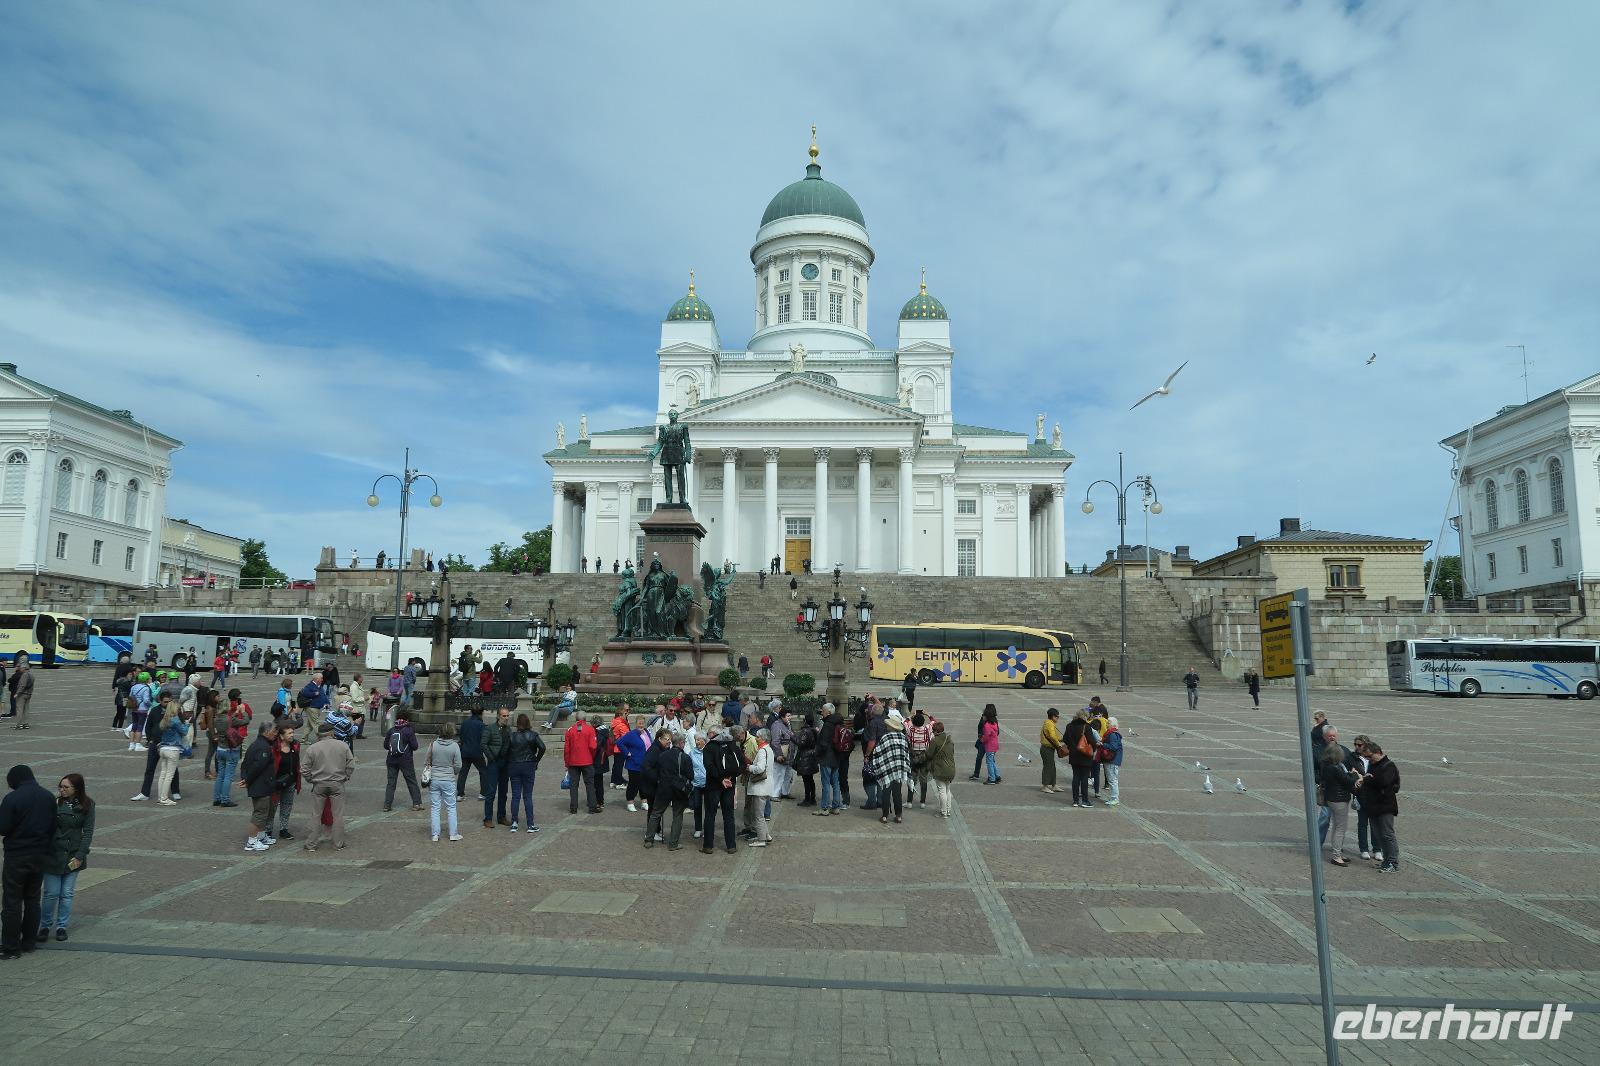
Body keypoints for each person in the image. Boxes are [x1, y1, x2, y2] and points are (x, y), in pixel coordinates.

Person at [0, 765, 55, 959]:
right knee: (32, 899)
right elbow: (52, 825)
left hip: (17, 855)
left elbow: (3, 828)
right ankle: (29, 942)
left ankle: (10, 947)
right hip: (40, 855)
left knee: (12, 901)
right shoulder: (48, 796)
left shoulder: (12, 798)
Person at [38, 773, 92, 944]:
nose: (61, 790)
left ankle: (62, 926)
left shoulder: (87, 805)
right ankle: (45, 925)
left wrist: (80, 855)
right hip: (53, 855)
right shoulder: (54, 803)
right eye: (60, 786)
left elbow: (88, 832)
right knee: (51, 893)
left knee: (67, 893)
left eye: (66, 787)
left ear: (76, 789)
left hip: (73, 855)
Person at [301, 721, 355, 851]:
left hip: (319, 784)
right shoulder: (342, 746)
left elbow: (304, 768)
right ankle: (338, 843)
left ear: (319, 735)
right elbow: (351, 764)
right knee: (338, 815)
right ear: (332, 733)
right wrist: (346, 776)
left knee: (316, 814)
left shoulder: (313, 748)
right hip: (337, 783)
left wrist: (310, 779)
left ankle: (311, 844)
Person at [1358, 739, 1401, 873]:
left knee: (1387, 834)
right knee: (1378, 834)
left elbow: (1383, 781)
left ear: (1378, 752)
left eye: (1370, 756)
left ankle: (1393, 862)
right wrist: (1367, 779)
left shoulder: (1389, 765)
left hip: (1385, 806)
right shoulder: (1373, 765)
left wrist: (1368, 779)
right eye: (1366, 758)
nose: (1369, 760)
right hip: (1373, 806)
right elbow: (1371, 780)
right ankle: (1386, 860)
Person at [1317, 727, 1358, 866]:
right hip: (1338, 799)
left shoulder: (1327, 765)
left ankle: (1337, 851)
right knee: (1340, 827)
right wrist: (1353, 774)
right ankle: (1336, 855)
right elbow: (1347, 780)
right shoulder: (1335, 767)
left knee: (1336, 827)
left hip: (1331, 798)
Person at [701, 728, 742, 854]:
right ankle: (731, 845)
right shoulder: (733, 745)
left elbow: (708, 766)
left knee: (710, 814)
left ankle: (708, 846)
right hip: (730, 785)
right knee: (729, 815)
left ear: (712, 734)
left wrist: (720, 778)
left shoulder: (710, 747)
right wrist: (730, 777)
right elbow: (741, 764)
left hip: (713, 785)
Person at [640, 728, 683, 848]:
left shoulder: (661, 748)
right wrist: (658, 779)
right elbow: (647, 767)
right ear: (659, 738)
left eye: (670, 739)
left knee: (654, 809)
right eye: (666, 739)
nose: (669, 742)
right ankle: (652, 833)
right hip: (651, 785)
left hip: (654, 784)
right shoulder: (655, 749)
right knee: (654, 809)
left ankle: (655, 831)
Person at [241, 721, 281, 852]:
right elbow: (257, 766)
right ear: (266, 732)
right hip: (260, 785)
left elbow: (245, 764)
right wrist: (247, 780)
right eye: (274, 731)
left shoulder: (258, 744)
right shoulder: (262, 747)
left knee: (265, 812)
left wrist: (245, 778)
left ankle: (261, 836)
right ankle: (251, 841)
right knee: (259, 813)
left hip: (263, 785)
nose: (276, 734)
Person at [505, 714, 546, 833]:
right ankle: (530, 824)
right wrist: (536, 760)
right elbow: (542, 747)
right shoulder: (532, 735)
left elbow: (506, 751)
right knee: (527, 796)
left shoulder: (512, 736)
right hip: (528, 765)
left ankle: (514, 822)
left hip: (515, 765)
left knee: (515, 795)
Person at [870, 710, 911, 824]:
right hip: (899, 769)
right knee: (897, 793)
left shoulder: (885, 737)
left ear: (891, 726)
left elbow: (877, 753)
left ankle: (884, 816)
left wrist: (876, 764)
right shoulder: (903, 737)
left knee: (886, 792)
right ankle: (898, 816)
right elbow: (906, 753)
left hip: (887, 769)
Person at [425, 722, 464, 842]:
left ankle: (435, 834)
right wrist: (454, 772)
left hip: (435, 779)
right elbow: (458, 765)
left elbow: (427, 760)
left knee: (435, 807)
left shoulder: (433, 745)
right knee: (451, 807)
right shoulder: (454, 746)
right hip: (448, 779)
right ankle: (453, 833)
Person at [210, 691, 249, 809]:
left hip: (220, 748)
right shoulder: (230, 720)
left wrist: (235, 713)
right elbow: (245, 721)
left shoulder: (217, 718)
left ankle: (217, 798)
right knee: (228, 776)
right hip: (231, 749)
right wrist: (243, 712)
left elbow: (228, 720)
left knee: (220, 775)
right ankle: (225, 799)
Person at [383, 711, 424, 812]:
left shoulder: (392, 730)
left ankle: (387, 805)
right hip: (405, 760)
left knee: (391, 783)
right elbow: (415, 746)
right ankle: (417, 803)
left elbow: (385, 745)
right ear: (407, 719)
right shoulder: (409, 730)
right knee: (411, 781)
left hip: (391, 759)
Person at [153, 702, 193, 806]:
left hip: (163, 748)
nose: (179, 711)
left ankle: (160, 797)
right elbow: (184, 731)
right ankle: (164, 798)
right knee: (169, 775)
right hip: (173, 749)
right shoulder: (175, 720)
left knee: (163, 774)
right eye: (178, 709)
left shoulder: (164, 720)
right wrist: (188, 723)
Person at [742, 728, 775, 847]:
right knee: (760, 813)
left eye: (758, 737)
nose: (756, 738)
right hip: (767, 785)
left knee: (758, 815)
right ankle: (766, 835)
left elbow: (760, 768)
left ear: (763, 738)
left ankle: (761, 839)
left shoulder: (762, 751)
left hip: (760, 787)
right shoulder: (769, 749)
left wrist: (750, 767)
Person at [562, 714, 600, 815]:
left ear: (576, 719)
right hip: (587, 760)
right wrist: (591, 756)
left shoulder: (570, 730)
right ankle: (592, 807)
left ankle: (573, 807)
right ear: (585, 719)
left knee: (573, 785)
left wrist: (567, 762)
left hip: (573, 761)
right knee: (590, 784)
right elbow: (593, 746)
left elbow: (566, 749)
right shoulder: (590, 729)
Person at [482, 708, 512, 828]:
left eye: (507, 716)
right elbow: (483, 744)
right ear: (498, 716)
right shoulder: (490, 728)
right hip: (494, 763)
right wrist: (491, 757)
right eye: (504, 716)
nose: (506, 718)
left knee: (503, 792)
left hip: (505, 764)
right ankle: (488, 818)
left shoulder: (509, 729)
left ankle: (501, 816)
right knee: (491, 792)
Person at [272, 724, 301, 839]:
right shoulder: (274, 748)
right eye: (289, 733)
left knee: (287, 806)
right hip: (276, 782)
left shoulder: (295, 745)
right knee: (272, 807)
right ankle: (268, 829)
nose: (292, 735)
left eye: (292, 733)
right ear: (281, 736)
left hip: (291, 781)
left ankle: (283, 829)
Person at [616, 717, 651, 812]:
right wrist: (627, 753)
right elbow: (619, 742)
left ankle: (644, 802)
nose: (641, 725)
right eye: (639, 723)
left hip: (645, 763)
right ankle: (630, 802)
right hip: (634, 764)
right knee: (634, 783)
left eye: (642, 723)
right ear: (635, 724)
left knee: (644, 783)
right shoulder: (631, 734)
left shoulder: (646, 732)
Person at [1063, 711, 1096, 808]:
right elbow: (1092, 741)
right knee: (1084, 778)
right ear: (1085, 717)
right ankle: (1085, 801)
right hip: (1085, 756)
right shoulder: (1086, 727)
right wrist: (1093, 749)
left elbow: (1065, 739)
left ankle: (1075, 801)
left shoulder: (1069, 726)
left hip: (1074, 755)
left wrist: (1071, 747)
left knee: (1076, 777)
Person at [926, 721, 956, 818]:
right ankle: (948, 810)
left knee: (942, 791)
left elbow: (929, 754)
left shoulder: (935, 741)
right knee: (947, 790)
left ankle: (943, 812)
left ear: (935, 731)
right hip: (951, 768)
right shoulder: (950, 740)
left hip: (940, 769)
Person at [458, 707, 487, 800]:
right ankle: (483, 793)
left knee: (463, 773)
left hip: (465, 751)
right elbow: (484, 739)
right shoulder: (481, 725)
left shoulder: (465, 723)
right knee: (483, 772)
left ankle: (460, 794)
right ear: (481, 713)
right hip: (477, 752)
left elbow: (461, 736)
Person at [768, 705, 796, 801]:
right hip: (781, 754)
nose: (790, 718)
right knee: (778, 774)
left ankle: (785, 792)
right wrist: (779, 754)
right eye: (788, 716)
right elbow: (775, 741)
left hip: (789, 755)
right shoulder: (776, 725)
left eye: (790, 716)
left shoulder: (787, 725)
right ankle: (774, 794)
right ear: (782, 716)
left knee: (787, 775)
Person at [793, 711, 820, 807]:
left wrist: (792, 737)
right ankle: (812, 798)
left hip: (805, 757)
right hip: (812, 756)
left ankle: (807, 799)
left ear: (805, 720)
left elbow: (801, 743)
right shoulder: (814, 730)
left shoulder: (805, 731)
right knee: (810, 779)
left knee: (806, 779)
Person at [1038, 708, 1063, 794]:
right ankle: (1045, 786)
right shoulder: (1049, 724)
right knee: (1048, 767)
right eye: (1057, 717)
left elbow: (1054, 736)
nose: (1058, 719)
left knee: (1052, 766)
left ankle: (1053, 785)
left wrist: (1061, 739)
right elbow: (1052, 736)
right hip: (1046, 748)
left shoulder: (1049, 723)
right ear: (1053, 716)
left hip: (1049, 748)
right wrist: (1059, 744)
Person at [1100, 716, 1124, 806]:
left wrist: (1103, 744)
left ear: (1113, 724)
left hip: (1112, 760)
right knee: (1113, 779)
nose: (1106, 724)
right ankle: (1114, 797)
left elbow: (1113, 747)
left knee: (1112, 780)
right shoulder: (1111, 733)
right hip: (1112, 760)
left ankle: (1115, 798)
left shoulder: (1112, 734)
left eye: (1108, 723)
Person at [978, 705, 1001, 784]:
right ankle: (997, 775)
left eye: (983, 715)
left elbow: (987, 736)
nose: (982, 716)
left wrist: (982, 739)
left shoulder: (987, 725)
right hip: (995, 745)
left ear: (986, 716)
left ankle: (992, 778)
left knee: (989, 762)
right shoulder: (994, 723)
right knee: (992, 761)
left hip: (990, 746)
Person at [10, 660, 33, 730]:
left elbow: (22, 685)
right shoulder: (32, 675)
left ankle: (18, 724)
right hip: (29, 694)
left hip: (22, 694)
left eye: (21, 668)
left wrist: (17, 693)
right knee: (26, 709)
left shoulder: (24, 675)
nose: (20, 669)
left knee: (19, 709)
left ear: (24, 668)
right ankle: (26, 724)